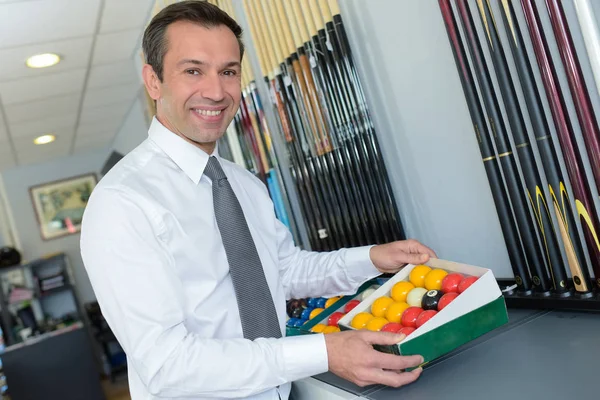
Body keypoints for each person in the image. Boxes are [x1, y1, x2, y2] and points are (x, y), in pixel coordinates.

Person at [80, 1, 437, 399]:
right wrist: (323, 352)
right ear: (153, 81)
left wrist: (371, 258)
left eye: (228, 72)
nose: (216, 91)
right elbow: (167, 363)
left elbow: (282, 272)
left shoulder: (243, 184)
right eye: (193, 70)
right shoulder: (122, 203)